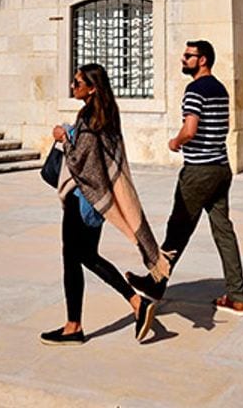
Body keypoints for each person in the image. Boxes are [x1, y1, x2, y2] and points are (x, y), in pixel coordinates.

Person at [43, 63, 170, 344]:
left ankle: (73, 326)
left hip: (84, 199)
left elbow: (81, 163)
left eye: (77, 83)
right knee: (88, 256)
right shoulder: (108, 115)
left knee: (72, 260)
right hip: (99, 201)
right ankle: (136, 303)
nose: (73, 87)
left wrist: (64, 139)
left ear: (92, 88)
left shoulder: (89, 118)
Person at [129, 39, 243, 317]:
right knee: (223, 231)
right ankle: (237, 295)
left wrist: (176, 141)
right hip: (221, 168)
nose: (183, 60)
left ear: (203, 59)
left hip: (198, 171)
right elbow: (224, 126)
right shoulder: (220, 88)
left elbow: (191, 128)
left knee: (177, 229)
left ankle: (155, 284)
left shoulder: (194, 89)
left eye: (188, 56)